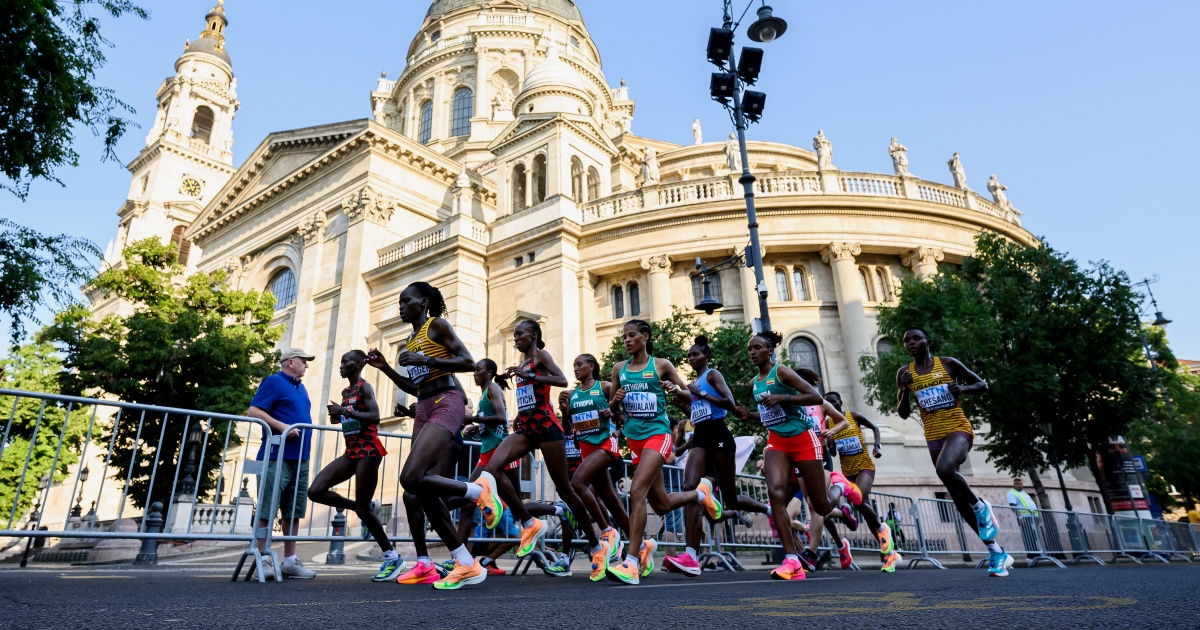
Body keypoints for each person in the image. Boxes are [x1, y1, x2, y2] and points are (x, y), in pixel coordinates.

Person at [366, 282, 484, 590]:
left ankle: (477, 491)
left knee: (411, 477)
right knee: (415, 491)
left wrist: (428, 360)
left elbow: (468, 362)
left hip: (447, 401)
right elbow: (415, 387)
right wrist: (386, 369)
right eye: (399, 301)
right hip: (424, 407)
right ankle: (461, 563)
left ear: (423, 301)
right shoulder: (410, 339)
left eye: (406, 300)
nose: (401, 306)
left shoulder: (437, 326)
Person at [606, 320, 723, 585]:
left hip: (658, 435)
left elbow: (688, 395)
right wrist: (617, 400)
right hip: (634, 439)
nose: (626, 340)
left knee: (637, 492)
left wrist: (675, 390)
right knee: (661, 504)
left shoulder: (661, 365)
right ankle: (700, 494)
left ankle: (632, 561)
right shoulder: (618, 369)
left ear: (645, 337)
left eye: (632, 335)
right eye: (624, 336)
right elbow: (612, 411)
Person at [896, 327, 1012, 577]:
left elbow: (982, 384)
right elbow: (903, 413)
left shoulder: (948, 364)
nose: (911, 343)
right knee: (957, 499)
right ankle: (996, 552)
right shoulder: (904, 373)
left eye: (916, 338)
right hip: (933, 437)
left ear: (928, 341)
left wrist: (964, 390)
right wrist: (904, 390)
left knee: (945, 469)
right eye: (907, 341)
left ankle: (981, 506)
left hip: (958, 429)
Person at [735, 332, 839, 580]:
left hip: (803, 439)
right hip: (777, 442)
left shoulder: (781, 372)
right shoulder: (755, 382)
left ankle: (839, 488)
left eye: (757, 348)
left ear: (769, 350)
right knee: (776, 495)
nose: (752, 352)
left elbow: (815, 396)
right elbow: (770, 413)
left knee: (821, 505)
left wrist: (783, 396)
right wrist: (749, 415)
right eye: (750, 349)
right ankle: (792, 559)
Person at [305, 350, 405, 581]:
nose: (341, 366)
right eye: (340, 362)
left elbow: (375, 416)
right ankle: (366, 506)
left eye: (345, 362)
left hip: (368, 450)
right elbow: (352, 417)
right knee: (316, 491)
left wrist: (346, 411)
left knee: (361, 510)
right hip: (351, 452)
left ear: (358, 364)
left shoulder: (364, 387)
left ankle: (392, 557)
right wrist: (339, 417)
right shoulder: (346, 391)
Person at [663, 335, 743, 576]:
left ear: (706, 356)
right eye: (689, 356)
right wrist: (677, 393)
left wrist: (702, 394)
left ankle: (763, 509)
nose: (691, 358)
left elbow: (730, 403)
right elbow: (693, 403)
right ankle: (691, 555)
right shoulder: (695, 382)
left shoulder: (712, 375)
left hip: (719, 434)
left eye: (696, 355)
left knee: (732, 500)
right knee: (690, 488)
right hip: (700, 437)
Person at [246, 348, 318, 580]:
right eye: (303, 361)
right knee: (267, 508)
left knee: (293, 511)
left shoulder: (301, 387)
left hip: (300, 458)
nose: (306, 365)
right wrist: (281, 427)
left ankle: (289, 561)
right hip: (276, 456)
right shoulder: (274, 382)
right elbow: (253, 411)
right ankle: (263, 559)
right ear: (290, 362)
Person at [559, 354, 630, 579]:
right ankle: (642, 545)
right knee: (612, 501)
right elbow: (568, 428)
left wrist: (615, 412)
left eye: (580, 364)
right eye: (574, 365)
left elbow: (625, 413)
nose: (576, 368)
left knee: (577, 483)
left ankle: (608, 532)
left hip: (606, 445)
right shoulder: (572, 394)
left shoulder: (605, 386)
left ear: (591, 366)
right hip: (587, 450)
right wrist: (563, 411)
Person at [454, 359, 521, 576]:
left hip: (500, 451)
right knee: (467, 501)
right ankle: (460, 559)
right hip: (487, 451)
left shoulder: (492, 388)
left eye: (478, 370)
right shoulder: (484, 395)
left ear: (489, 372)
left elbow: (501, 418)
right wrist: (477, 428)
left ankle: (543, 515)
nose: (474, 373)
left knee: (516, 503)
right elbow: (491, 424)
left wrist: (473, 418)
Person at [824, 391, 903, 572]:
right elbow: (835, 453)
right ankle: (890, 553)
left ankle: (883, 531)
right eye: (828, 404)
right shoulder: (828, 424)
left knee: (858, 498)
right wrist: (831, 446)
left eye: (834, 403)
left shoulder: (853, 417)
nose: (832, 406)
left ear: (840, 402)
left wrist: (876, 445)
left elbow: (875, 427)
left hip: (864, 467)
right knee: (865, 510)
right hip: (848, 471)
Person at [1007, 478, 1039, 557]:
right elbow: (1013, 506)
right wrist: (1020, 517)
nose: (1020, 485)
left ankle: (1036, 552)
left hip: (1033, 517)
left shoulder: (1024, 493)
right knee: (1028, 536)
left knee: (1034, 536)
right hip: (1024, 518)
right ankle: (1031, 554)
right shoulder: (1012, 493)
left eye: (1021, 484)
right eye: (1017, 484)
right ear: (1013, 485)